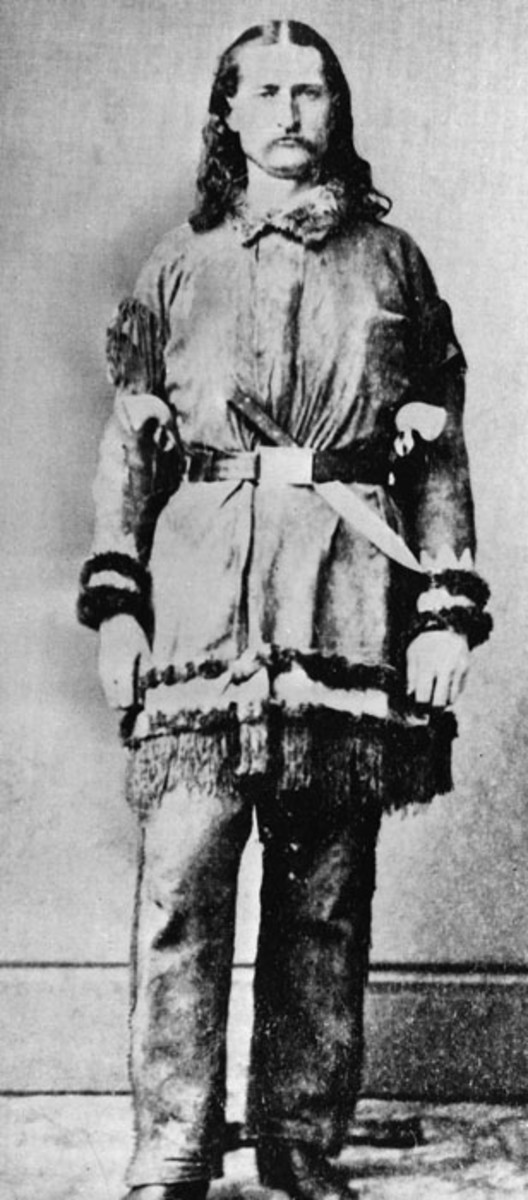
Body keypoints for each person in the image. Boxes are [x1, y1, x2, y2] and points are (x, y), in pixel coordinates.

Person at [78, 20, 491, 1200]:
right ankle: (173, 1141)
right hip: (204, 598)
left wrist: (443, 611)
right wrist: (119, 608)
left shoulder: (394, 265)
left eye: (310, 90)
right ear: (226, 113)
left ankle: (300, 1134)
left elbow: (437, 455)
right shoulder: (175, 266)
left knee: (325, 893)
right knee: (182, 885)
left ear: (337, 109)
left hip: (347, 596)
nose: (289, 112)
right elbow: (129, 454)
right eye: (263, 91)